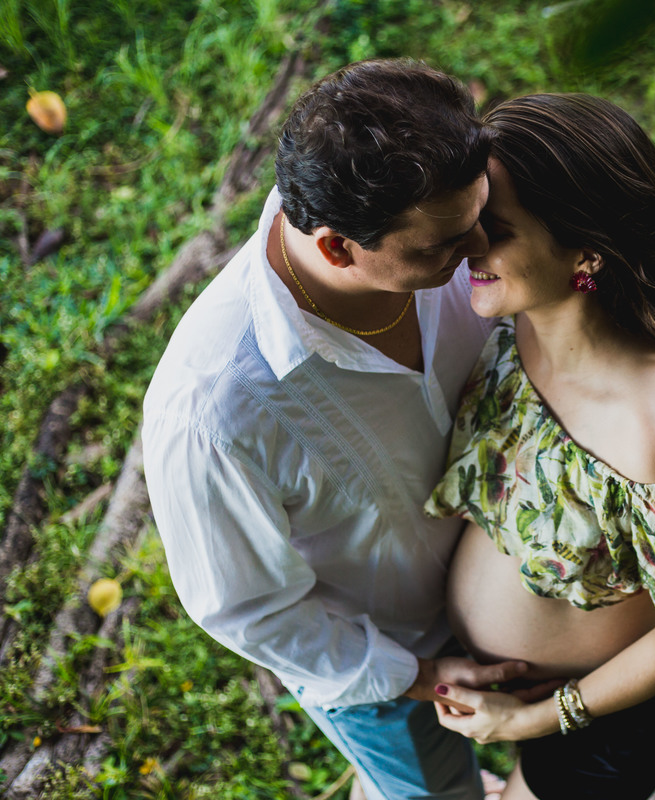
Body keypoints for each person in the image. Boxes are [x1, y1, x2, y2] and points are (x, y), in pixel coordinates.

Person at [142, 59, 530, 800]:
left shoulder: (444, 229)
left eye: (480, 216)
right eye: (442, 246)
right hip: (384, 659)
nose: (482, 248)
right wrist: (414, 675)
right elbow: (247, 609)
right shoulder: (213, 409)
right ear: (335, 247)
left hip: (508, 582)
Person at [424, 93, 655, 800]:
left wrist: (534, 719)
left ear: (587, 253)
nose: (468, 244)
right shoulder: (508, 324)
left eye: (497, 230)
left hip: (604, 715)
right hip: (481, 679)